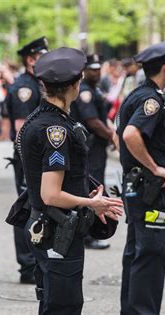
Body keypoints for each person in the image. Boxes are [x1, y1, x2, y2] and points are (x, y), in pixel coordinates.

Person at [19, 47, 123, 314]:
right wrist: (91, 203)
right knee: (64, 305)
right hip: (57, 229)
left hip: (50, 226)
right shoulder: (57, 131)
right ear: (75, 85)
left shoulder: (39, 120)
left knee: (53, 301)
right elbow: (51, 194)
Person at [116, 41, 165, 314]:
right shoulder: (151, 99)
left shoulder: (136, 95)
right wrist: (155, 168)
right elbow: (130, 135)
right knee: (149, 254)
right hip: (146, 187)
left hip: (135, 184)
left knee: (136, 252)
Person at [5, 37, 49, 284]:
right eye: (43, 55)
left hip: (34, 159)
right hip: (28, 159)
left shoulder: (37, 83)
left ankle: (35, 263)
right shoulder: (26, 88)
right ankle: (27, 266)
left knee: (37, 208)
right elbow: (22, 131)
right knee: (28, 208)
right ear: (31, 59)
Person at [70, 54, 115, 250]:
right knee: (92, 188)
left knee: (95, 185)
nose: (96, 72)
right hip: (90, 145)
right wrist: (112, 136)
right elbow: (92, 121)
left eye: (98, 68)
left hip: (97, 146)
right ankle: (88, 234)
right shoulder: (85, 92)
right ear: (84, 71)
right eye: (92, 69)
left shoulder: (95, 89)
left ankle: (90, 231)